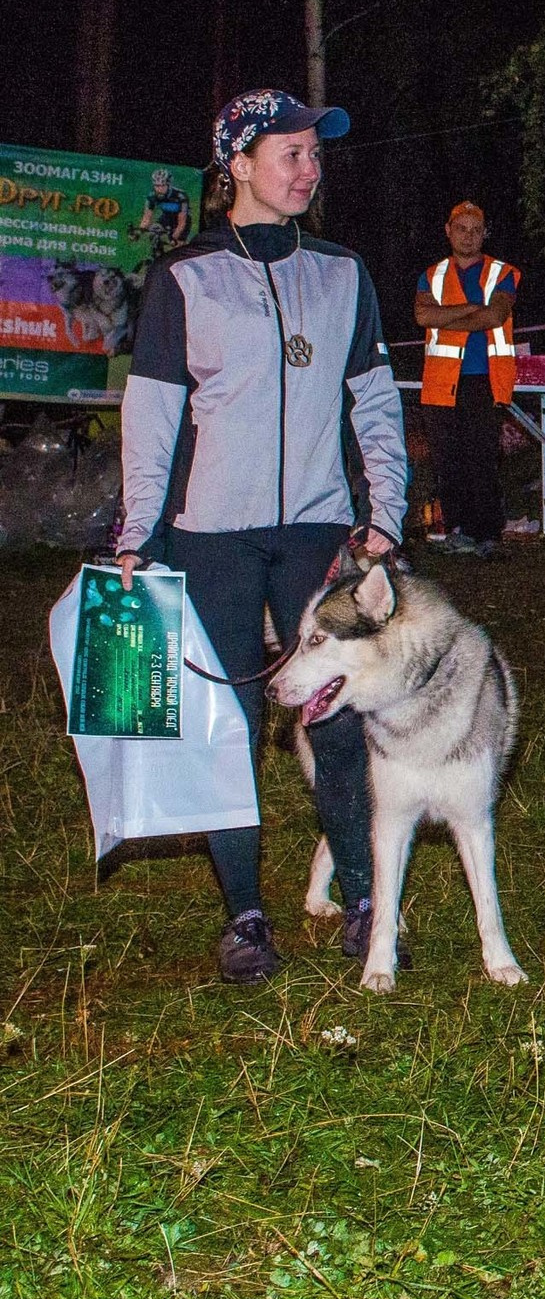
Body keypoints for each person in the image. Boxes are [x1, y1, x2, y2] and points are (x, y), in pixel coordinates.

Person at [113, 88, 409, 984]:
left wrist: (385, 513)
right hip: (213, 538)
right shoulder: (184, 277)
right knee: (229, 724)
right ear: (237, 164)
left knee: (344, 718)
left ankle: (363, 895)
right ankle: (245, 912)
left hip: (318, 530)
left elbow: (376, 403)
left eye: (315, 155)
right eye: (290, 154)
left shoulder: (342, 272)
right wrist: (137, 532)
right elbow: (152, 417)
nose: (309, 170)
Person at [414, 202, 520, 559]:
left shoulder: (501, 272)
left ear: (485, 233)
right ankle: (457, 529)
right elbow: (421, 314)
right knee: (448, 460)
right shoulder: (432, 274)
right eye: (462, 228)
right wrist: (473, 309)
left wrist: (444, 318)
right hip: (441, 383)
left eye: (476, 229)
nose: (469, 236)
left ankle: (488, 533)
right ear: (448, 230)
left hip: (485, 380)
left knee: (483, 459)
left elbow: (496, 314)